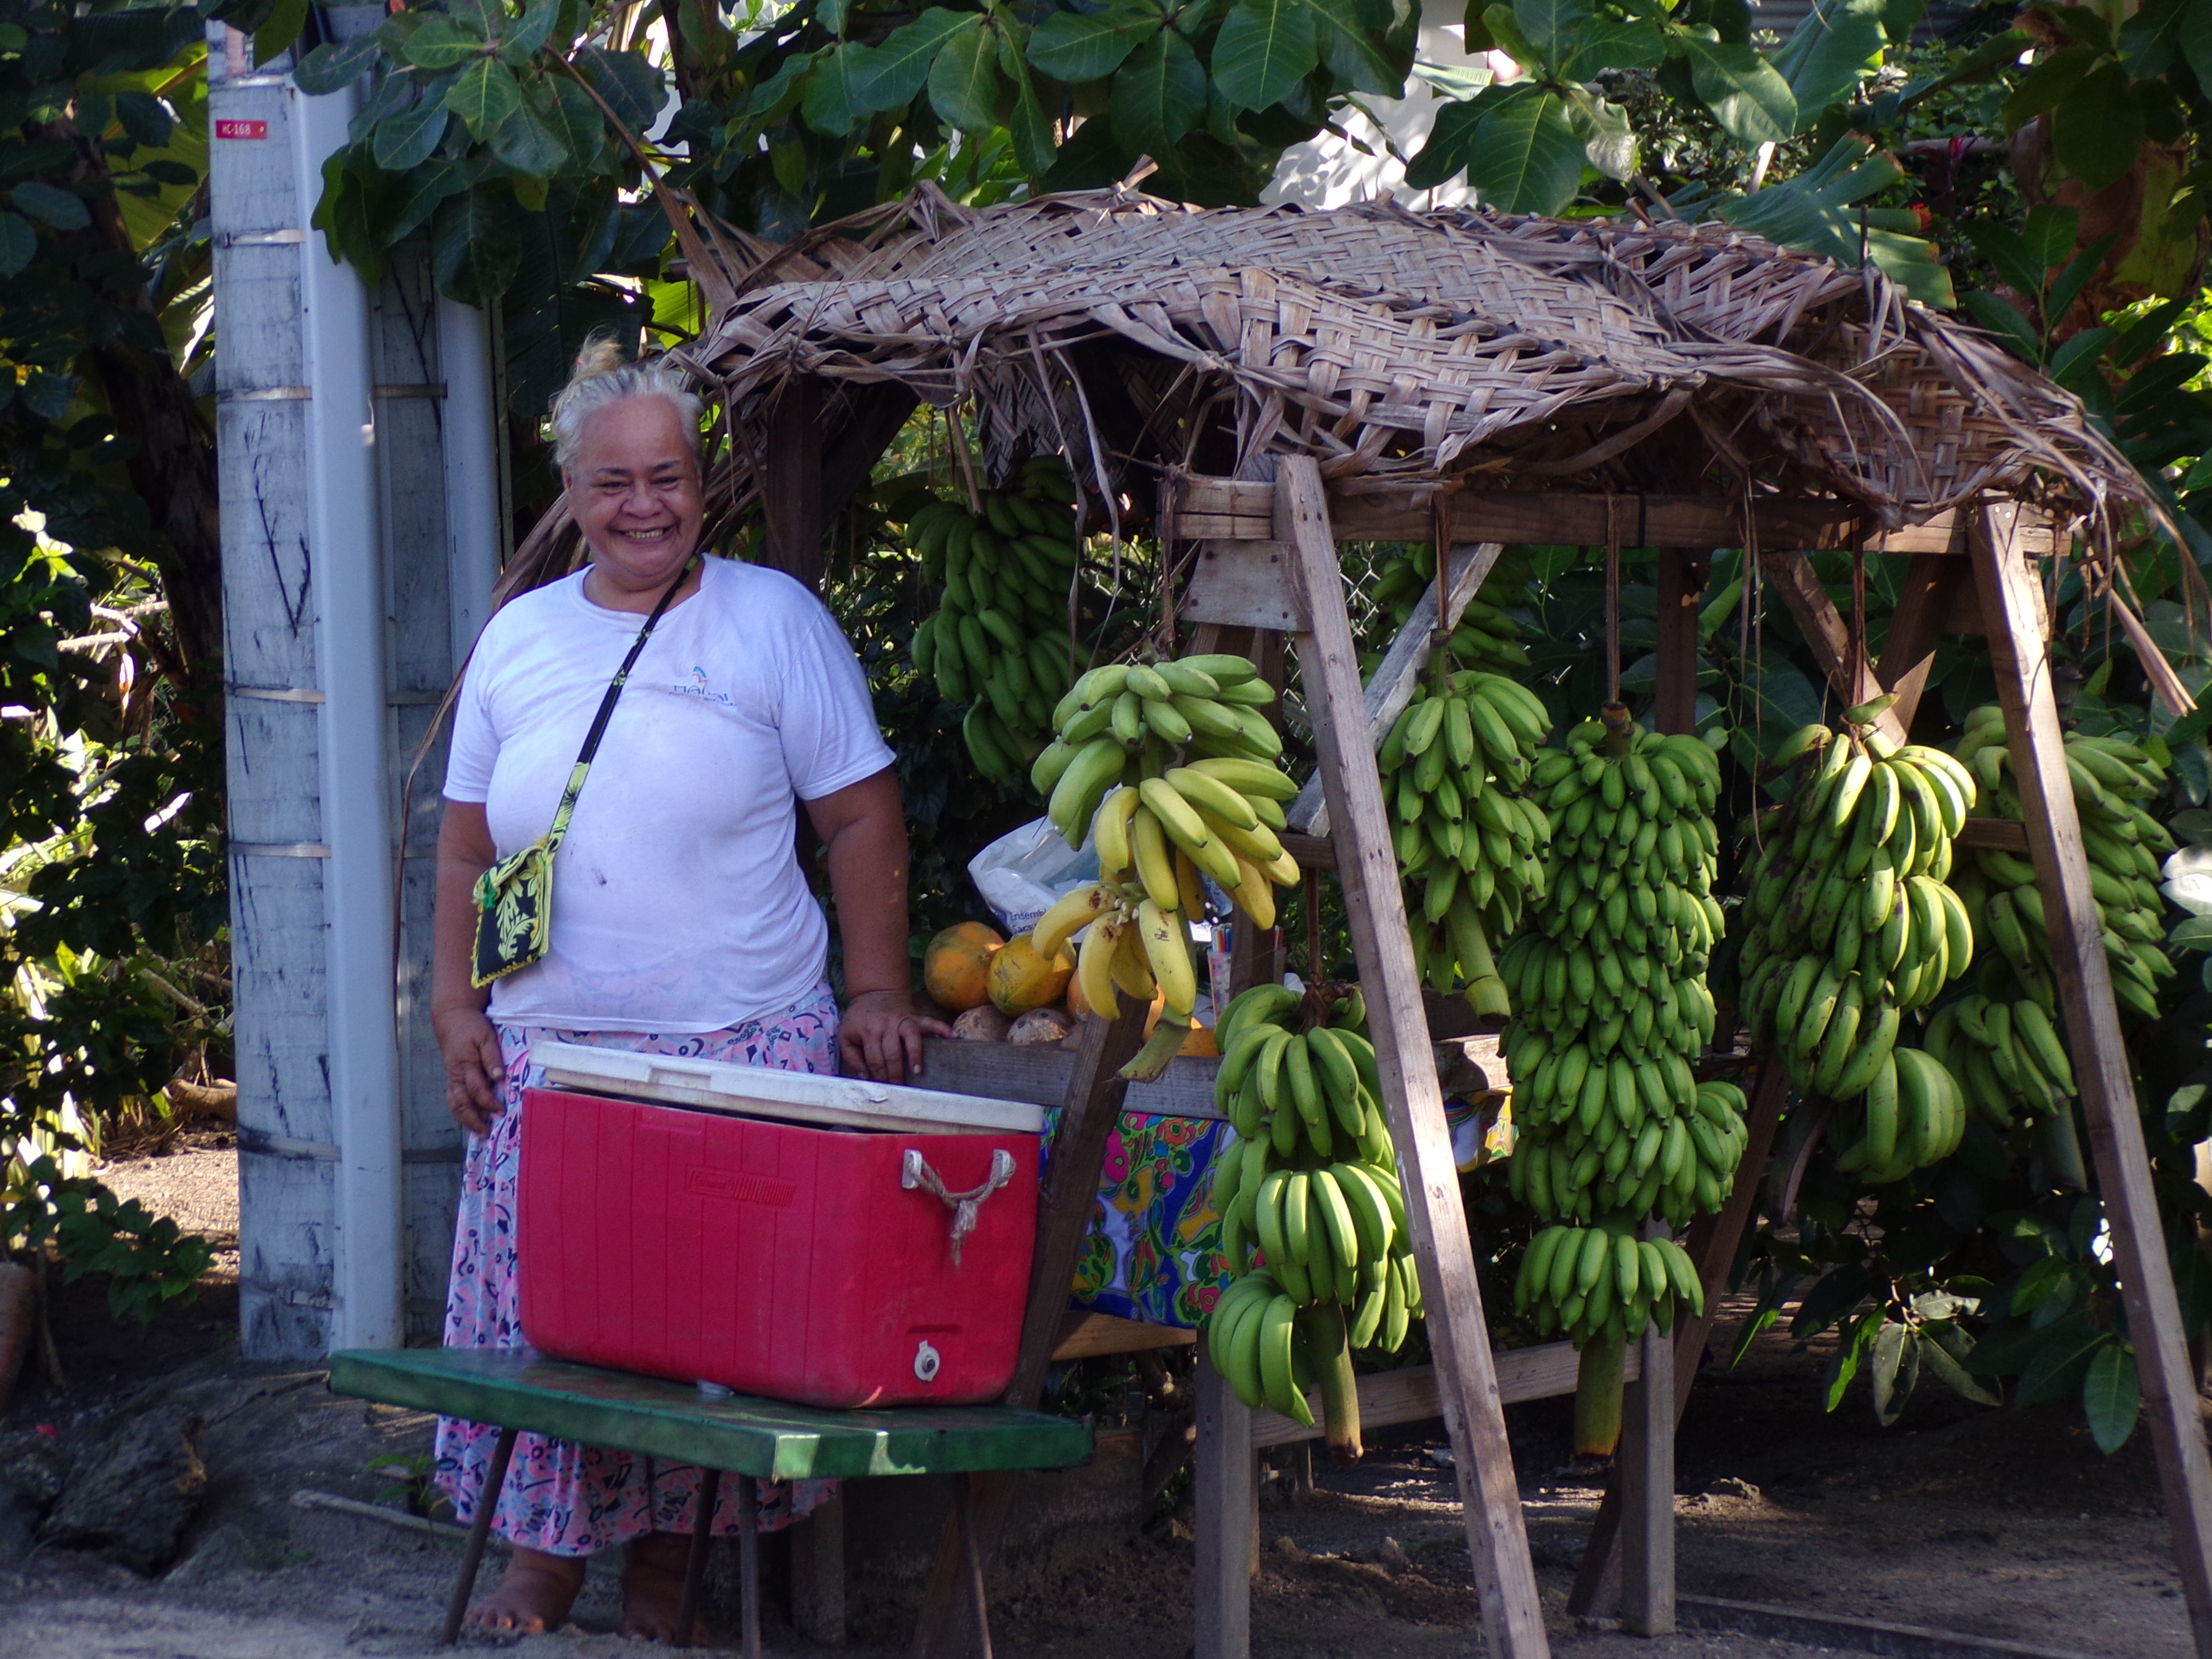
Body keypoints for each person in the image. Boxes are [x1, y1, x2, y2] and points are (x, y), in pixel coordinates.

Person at [429, 339, 949, 1638]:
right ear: (571, 489)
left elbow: (863, 820)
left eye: (666, 476)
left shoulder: (773, 620)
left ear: (702, 482)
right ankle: (544, 1558)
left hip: (737, 1051)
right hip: (550, 1054)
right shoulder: (520, 639)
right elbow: (464, 848)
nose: (643, 504)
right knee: (553, 1321)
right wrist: (454, 1010)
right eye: (614, 483)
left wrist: (876, 989)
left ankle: (672, 1564)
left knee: (700, 1334)